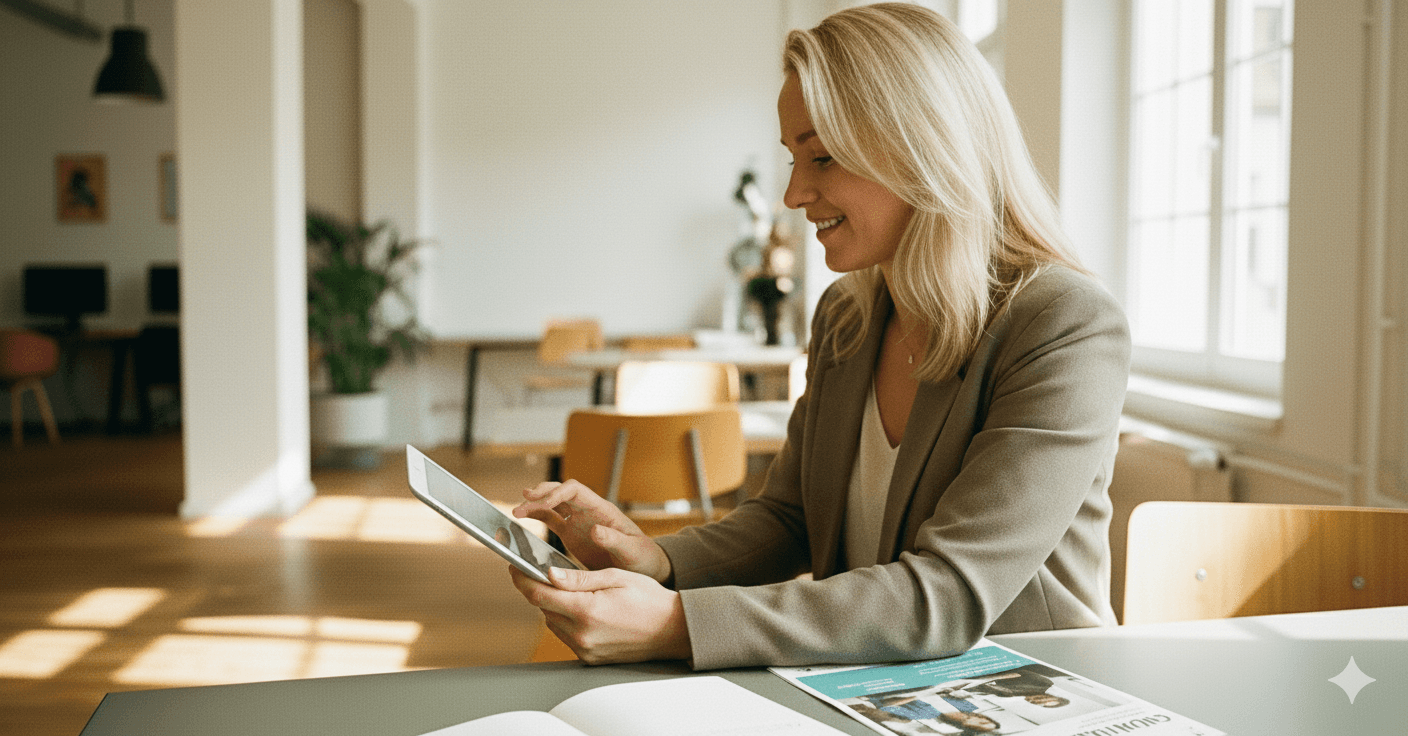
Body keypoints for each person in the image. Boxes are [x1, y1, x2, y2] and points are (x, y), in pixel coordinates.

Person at [509, 3, 1129, 670]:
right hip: (873, 686)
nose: (794, 193)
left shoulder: (1064, 325)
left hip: (1028, 690)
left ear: (926, 149)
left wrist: (677, 624)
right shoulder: (848, 316)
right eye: (792, 158)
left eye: (824, 157)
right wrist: (658, 559)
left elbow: (948, 594)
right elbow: (792, 517)